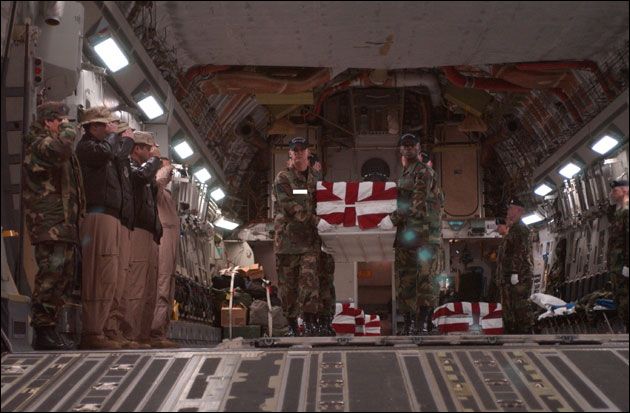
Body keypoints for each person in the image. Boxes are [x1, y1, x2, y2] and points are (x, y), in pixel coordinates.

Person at [23, 101, 85, 350]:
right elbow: (60, 149)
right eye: (60, 121)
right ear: (48, 121)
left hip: (63, 222)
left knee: (64, 277)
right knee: (51, 274)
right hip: (49, 221)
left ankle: (52, 327)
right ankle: (42, 330)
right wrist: (69, 131)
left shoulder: (56, 144)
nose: (64, 125)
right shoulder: (38, 144)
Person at [75, 106, 127, 350]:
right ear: (94, 126)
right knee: (99, 272)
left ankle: (105, 328)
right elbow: (103, 154)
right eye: (106, 125)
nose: (110, 128)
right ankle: (93, 330)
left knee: (109, 274)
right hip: (97, 214)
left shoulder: (105, 148)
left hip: (110, 215)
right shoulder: (88, 147)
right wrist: (114, 137)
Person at [388, 133, 443, 335]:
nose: (408, 148)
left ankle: (422, 323)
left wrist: (391, 218)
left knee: (425, 280)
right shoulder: (404, 175)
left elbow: (417, 205)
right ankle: (409, 323)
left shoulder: (424, 172)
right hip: (407, 237)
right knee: (406, 281)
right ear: (400, 150)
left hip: (424, 236)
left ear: (418, 147)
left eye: (412, 145)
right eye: (405, 145)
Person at [273, 137, 321, 336]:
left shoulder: (315, 179)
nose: (299, 153)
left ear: (308, 152)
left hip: (309, 243)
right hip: (287, 242)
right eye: (295, 150)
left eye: (302, 149)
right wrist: (316, 220)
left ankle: (309, 322)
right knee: (288, 287)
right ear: (290, 154)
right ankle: (292, 325)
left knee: (309, 281)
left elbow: (323, 203)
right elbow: (290, 206)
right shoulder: (283, 178)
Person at [122, 131, 162, 345]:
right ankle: (129, 333)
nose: (151, 152)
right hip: (137, 228)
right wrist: (155, 161)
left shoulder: (146, 173)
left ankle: (143, 334)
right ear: (137, 148)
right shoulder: (131, 166)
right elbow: (140, 177)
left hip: (149, 231)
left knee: (148, 289)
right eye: (148, 148)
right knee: (136, 285)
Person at [149, 153, 180, 348]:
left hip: (171, 240)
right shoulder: (155, 187)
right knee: (162, 283)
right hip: (164, 239)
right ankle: (155, 331)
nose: (170, 173)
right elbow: (158, 183)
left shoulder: (166, 194)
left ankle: (161, 330)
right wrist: (164, 168)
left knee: (168, 285)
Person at [500, 198, 535, 334]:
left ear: (519, 210)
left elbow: (520, 252)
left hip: (520, 276)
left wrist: (515, 272)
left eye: (511, 208)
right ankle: (513, 334)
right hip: (511, 277)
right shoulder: (514, 229)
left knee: (520, 307)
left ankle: (524, 334)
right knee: (510, 309)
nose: (508, 211)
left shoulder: (521, 229)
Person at [607, 179, 628, 330]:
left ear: (625, 190)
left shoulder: (627, 212)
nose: (612, 194)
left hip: (624, 267)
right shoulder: (619, 212)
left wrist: (628, 265)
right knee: (621, 302)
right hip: (617, 268)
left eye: (615, 191)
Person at [486, 218, 508, 303]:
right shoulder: (503, 242)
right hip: (498, 278)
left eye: (499, 226)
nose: (497, 228)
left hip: (504, 279)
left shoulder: (509, 240)